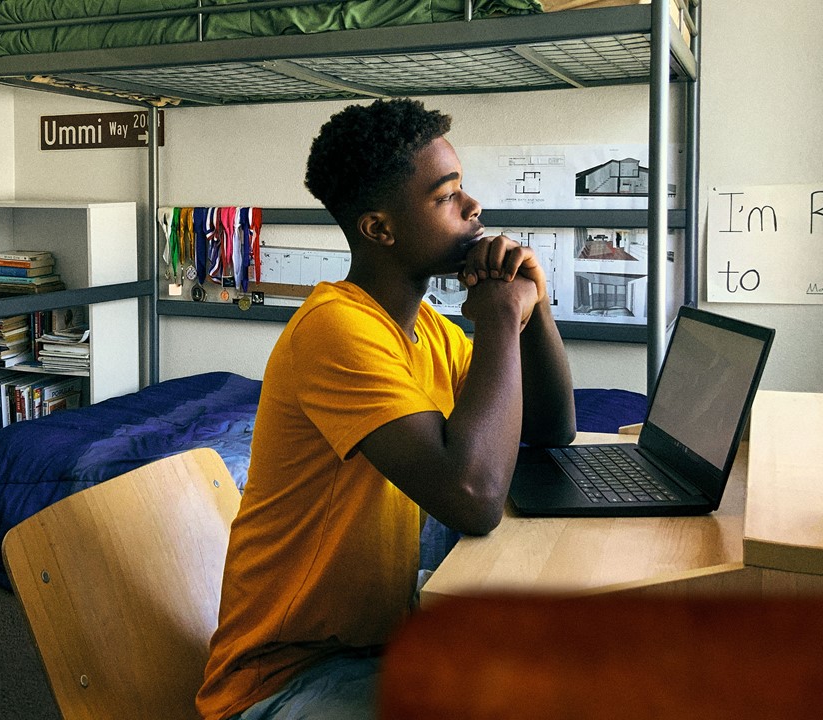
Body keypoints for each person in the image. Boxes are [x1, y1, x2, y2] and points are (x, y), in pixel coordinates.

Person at [196, 98, 576, 720]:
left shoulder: (423, 327)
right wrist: (503, 317)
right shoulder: (336, 329)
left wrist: (535, 309)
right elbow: (473, 498)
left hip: (377, 650)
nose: (473, 207)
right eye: (446, 196)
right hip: (285, 678)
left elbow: (550, 429)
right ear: (380, 229)